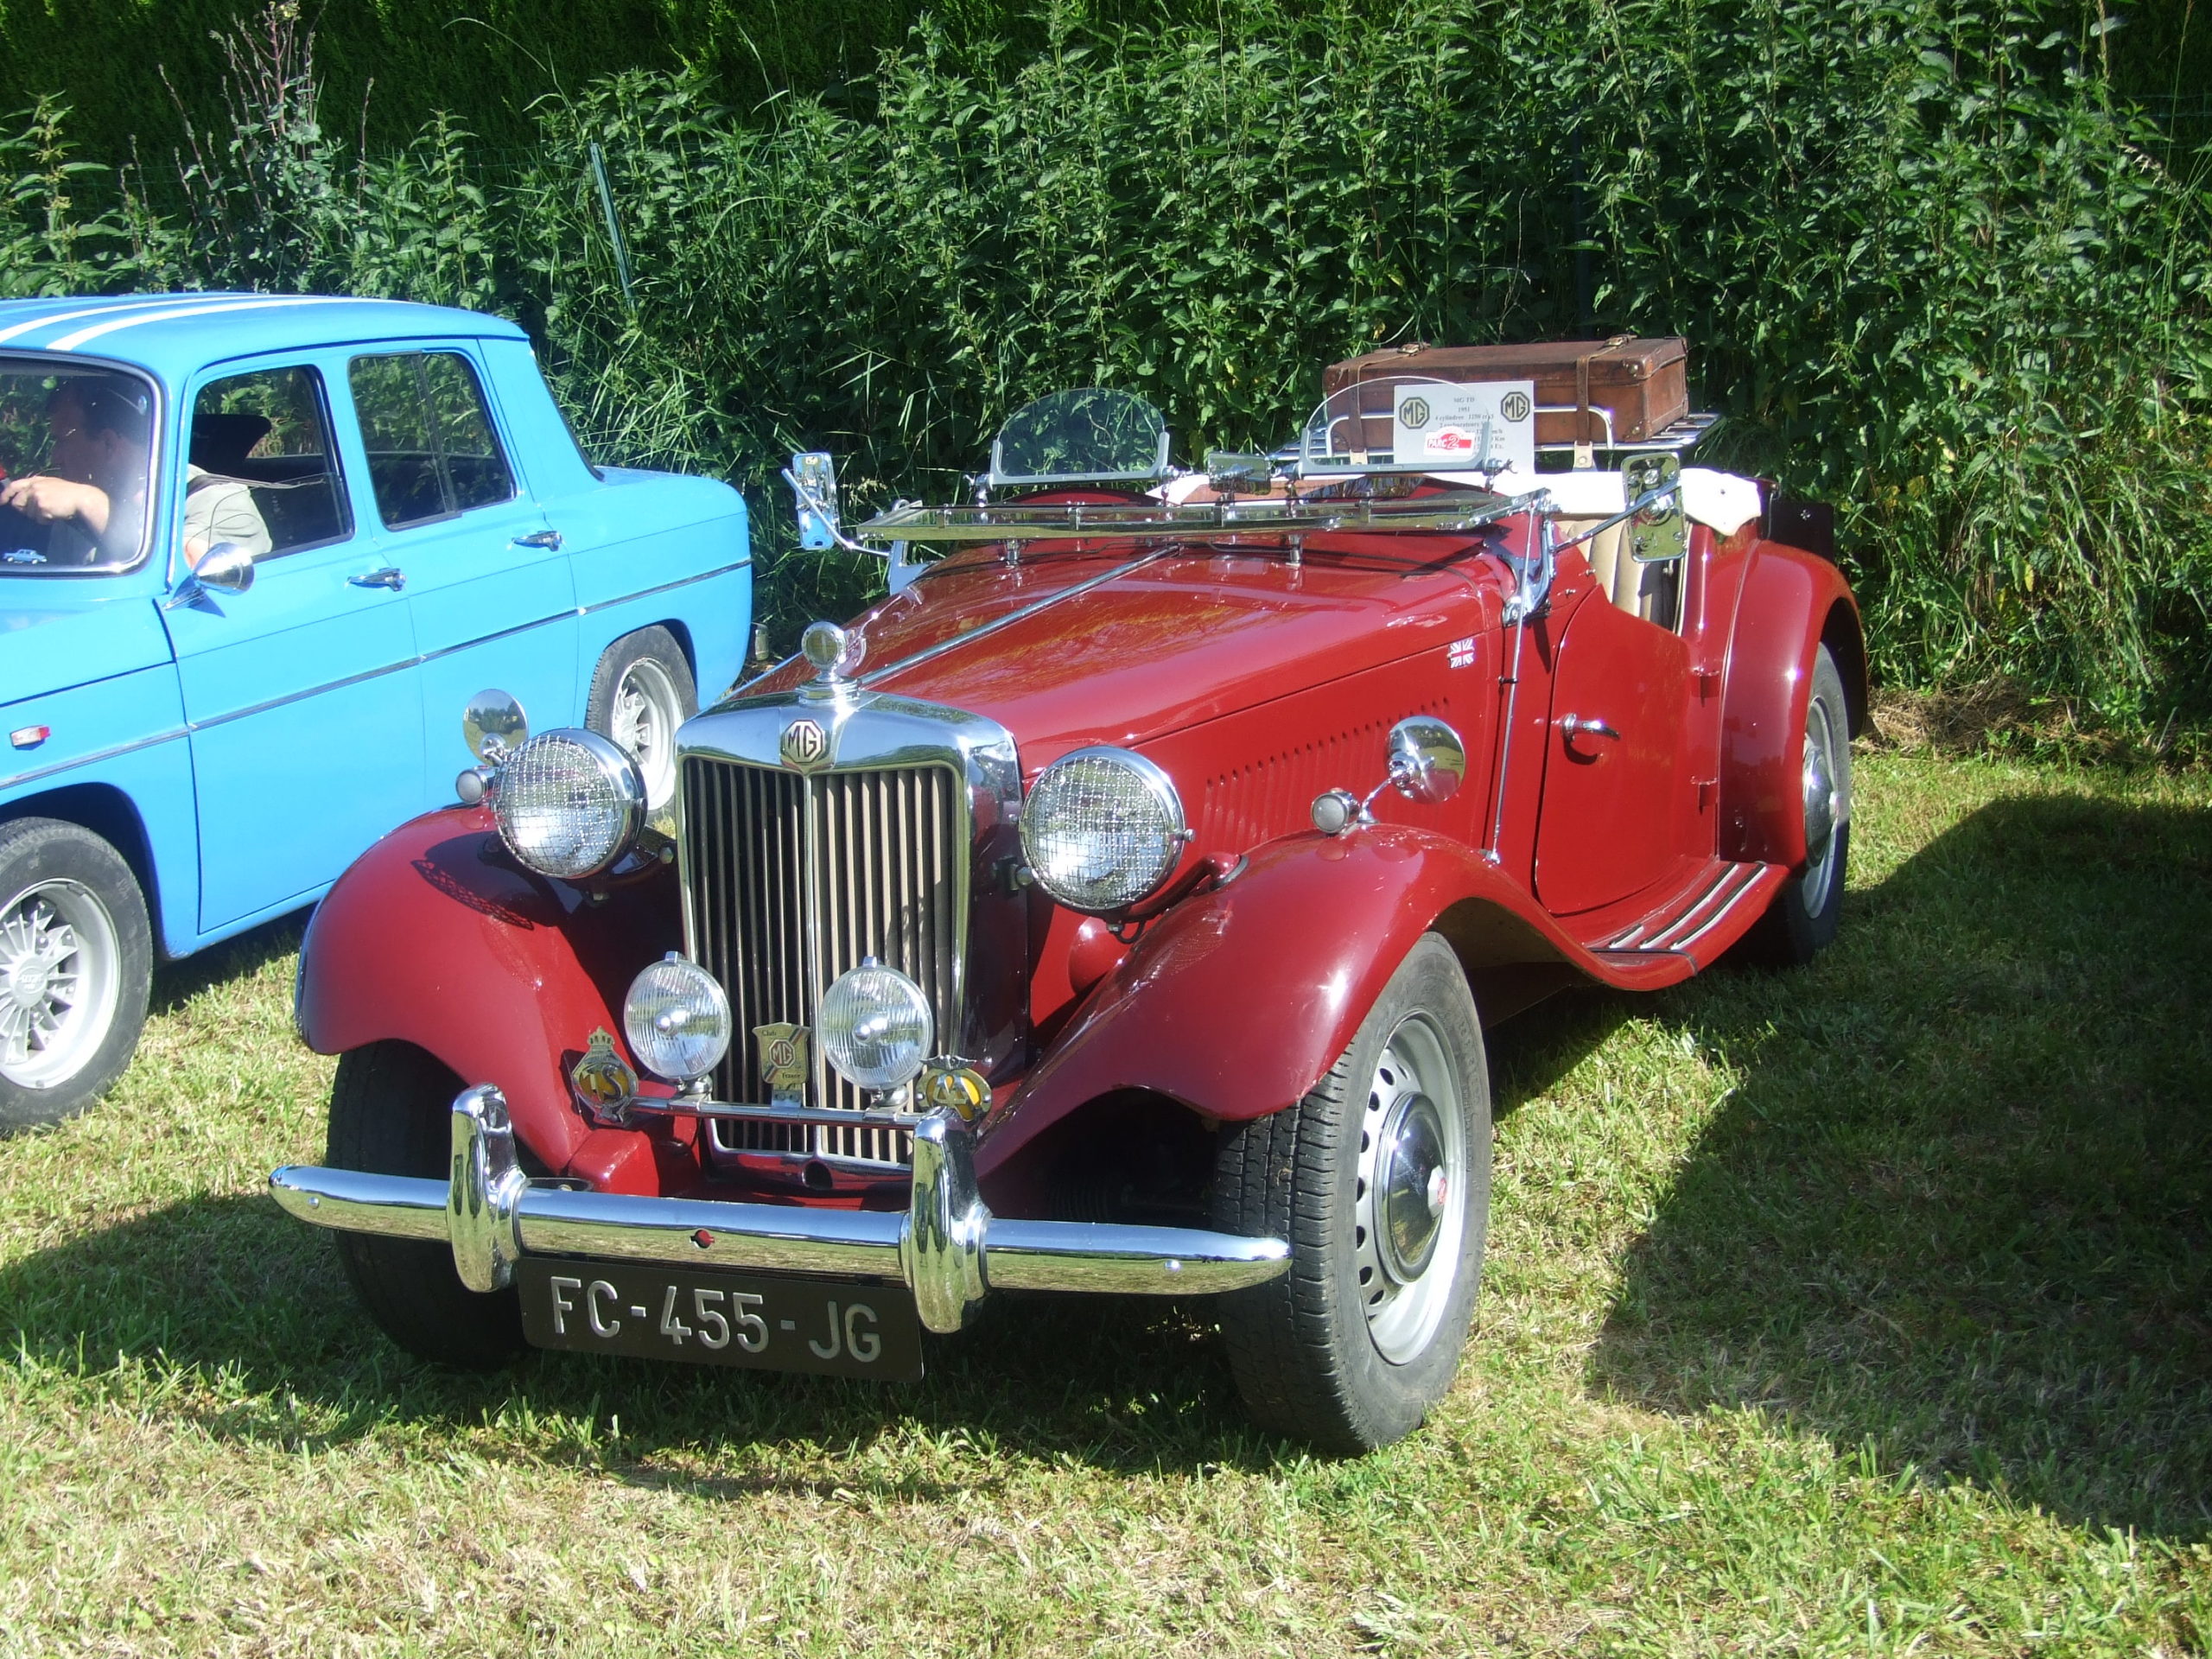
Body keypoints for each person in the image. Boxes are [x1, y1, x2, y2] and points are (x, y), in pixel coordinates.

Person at [0, 375, 271, 569]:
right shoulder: (81, 498)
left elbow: (188, 579)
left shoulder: (219, 503)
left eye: (63, 440)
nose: (55, 456)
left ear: (108, 443)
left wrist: (90, 503)